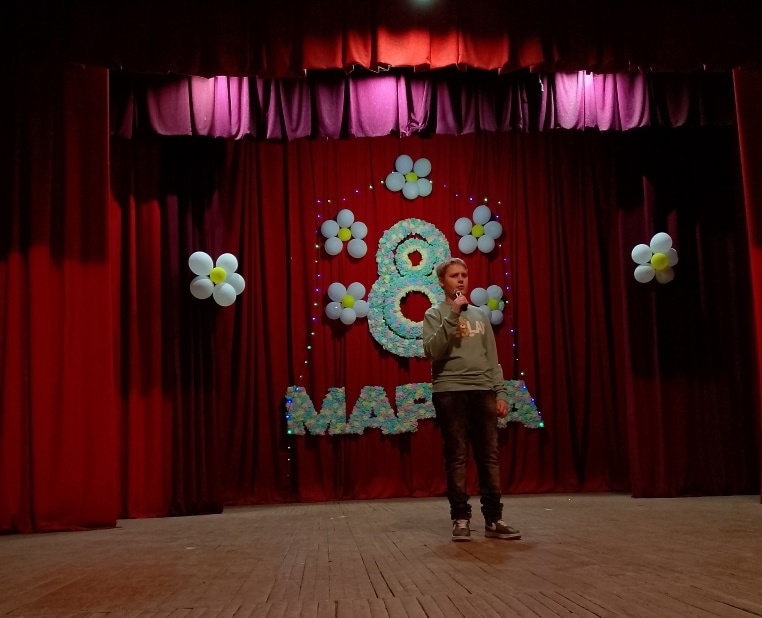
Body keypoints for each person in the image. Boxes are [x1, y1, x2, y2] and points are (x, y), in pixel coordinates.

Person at [422, 257, 521, 542]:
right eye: (454, 276)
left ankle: (494, 519)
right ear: (442, 282)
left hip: (482, 389)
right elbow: (432, 351)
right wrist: (453, 314)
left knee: (489, 456)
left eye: (464, 275)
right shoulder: (434, 314)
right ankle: (461, 518)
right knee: (457, 456)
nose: (461, 279)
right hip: (450, 391)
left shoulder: (480, 315)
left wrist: (500, 392)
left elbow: (492, 357)